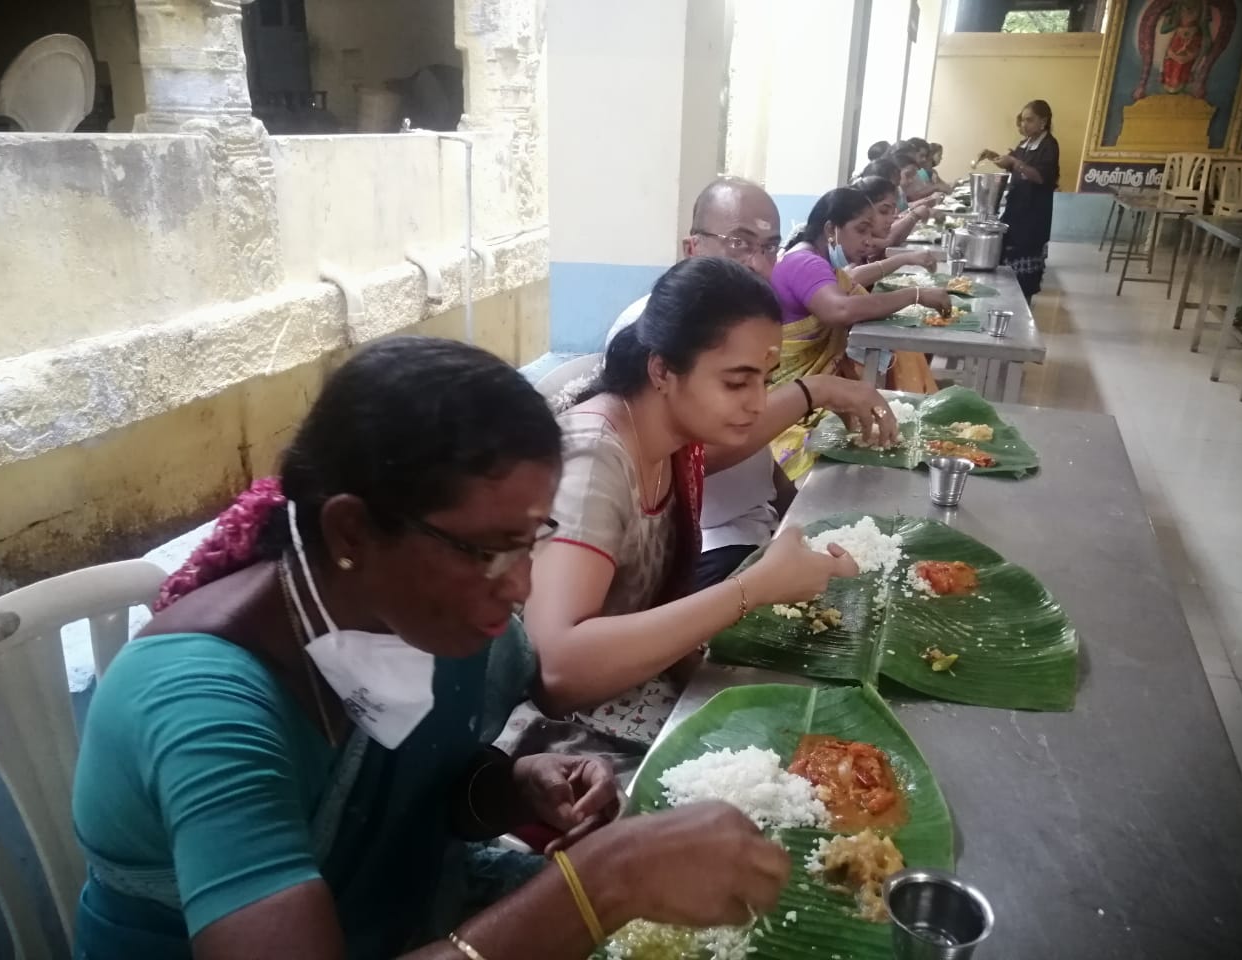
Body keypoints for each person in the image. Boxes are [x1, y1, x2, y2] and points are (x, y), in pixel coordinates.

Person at [70, 336, 792, 960]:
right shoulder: (208, 706)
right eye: (488, 550)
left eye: (531, 539)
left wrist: (513, 786)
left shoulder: (436, 619)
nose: (519, 589)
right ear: (351, 532)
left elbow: (423, 797)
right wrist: (605, 878)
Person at [517, 256, 861, 769]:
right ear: (662, 370)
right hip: (563, 750)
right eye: (736, 382)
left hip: (634, 693)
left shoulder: (674, 438)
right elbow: (557, 669)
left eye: (765, 379)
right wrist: (753, 589)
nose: (756, 402)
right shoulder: (594, 461)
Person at [603, 177, 898, 590]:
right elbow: (690, 458)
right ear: (693, 248)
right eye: (739, 243)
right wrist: (814, 392)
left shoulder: (752, 329)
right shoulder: (652, 329)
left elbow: (755, 442)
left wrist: (801, 510)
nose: (759, 264)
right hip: (705, 544)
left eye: (769, 247)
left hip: (758, 526)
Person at [767, 187, 953, 475]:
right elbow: (841, 310)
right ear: (831, 229)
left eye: (871, 232)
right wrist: (915, 294)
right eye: (861, 230)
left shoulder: (826, 266)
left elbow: (862, 301)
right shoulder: (803, 262)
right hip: (786, 402)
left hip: (813, 392)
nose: (869, 241)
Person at [977, 99, 1059, 301]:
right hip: (1017, 208)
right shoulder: (1026, 143)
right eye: (1022, 120)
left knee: (1025, 263)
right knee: (1009, 258)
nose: (1024, 125)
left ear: (1043, 121)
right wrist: (994, 156)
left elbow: (1040, 176)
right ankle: (1008, 301)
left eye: (1029, 120)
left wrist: (1014, 162)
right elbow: (1013, 164)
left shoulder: (1048, 145)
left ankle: (1023, 306)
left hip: (1033, 213)